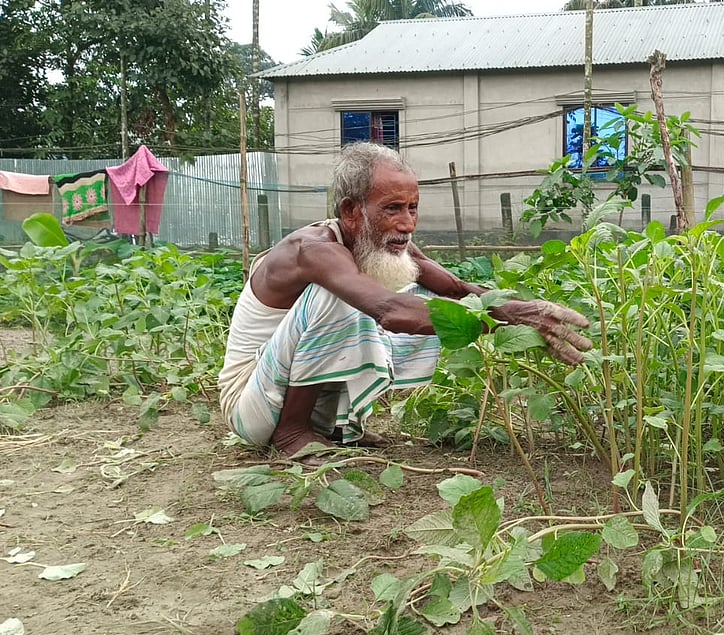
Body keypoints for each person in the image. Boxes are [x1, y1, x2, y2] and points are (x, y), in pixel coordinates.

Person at [217, 143, 592, 456]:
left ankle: (336, 425)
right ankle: (292, 434)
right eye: (393, 209)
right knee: (348, 299)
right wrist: (502, 321)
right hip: (251, 402)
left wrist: (516, 311)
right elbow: (390, 312)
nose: (408, 222)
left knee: (420, 294)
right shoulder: (314, 250)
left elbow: (454, 288)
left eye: (412, 207)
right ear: (351, 210)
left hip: (286, 390)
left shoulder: (380, 242)